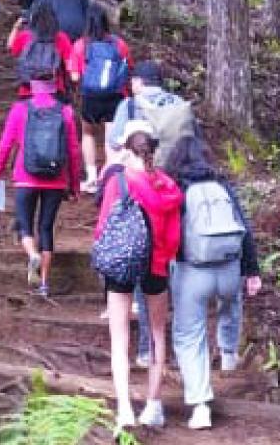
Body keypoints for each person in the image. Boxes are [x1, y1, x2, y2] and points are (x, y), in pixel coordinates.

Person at [163, 135, 262, 430]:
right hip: (229, 269)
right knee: (231, 302)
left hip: (192, 271)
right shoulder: (223, 187)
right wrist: (252, 271)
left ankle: (201, 405)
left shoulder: (177, 188)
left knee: (189, 335)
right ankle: (229, 353)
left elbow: (168, 232)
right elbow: (244, 230)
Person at [106, 60, 197, 366]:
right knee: (162, 267)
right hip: (172, 188)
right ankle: (168, 348)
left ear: (139, 82)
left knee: (138, 259)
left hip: (137, 188)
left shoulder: (130, 106)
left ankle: (142, 348)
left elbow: (114, 143)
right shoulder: (182, 107)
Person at [95, 120, 183, 430]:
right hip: (156, 265)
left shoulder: (118, 183)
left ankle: (124, 409)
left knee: (119, 337)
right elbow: (174, 235)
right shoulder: (168, 186)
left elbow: (103, 226)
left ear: (126, 148)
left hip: (121, 264)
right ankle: (153, 404)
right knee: (157, 333)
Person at [0, 66, 82, 298]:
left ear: (31, 84)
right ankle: (44, 285)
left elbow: (6, 144)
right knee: (46, 228)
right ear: (55, 84)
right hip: (56, 179)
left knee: (25, 224)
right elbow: (74, 151)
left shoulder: (20, 109)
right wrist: (74, 184)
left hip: (25, 177)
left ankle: (32, 255)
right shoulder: (66, 112)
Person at [68, 5, 133, 193]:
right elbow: (128, 68)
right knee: (110, 137)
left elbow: (74, 77)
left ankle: (91, 177)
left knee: (88, 134)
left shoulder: (81, 45)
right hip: (116, 96)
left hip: (91, 97)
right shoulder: (119, 44)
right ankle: (109, 178)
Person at [7, 1, 74, 101]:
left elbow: (10, 47)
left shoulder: (26, 36)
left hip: (28, 90)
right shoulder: (61, 38)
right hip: (55, 90)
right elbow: (70, 66)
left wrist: (16, 27)